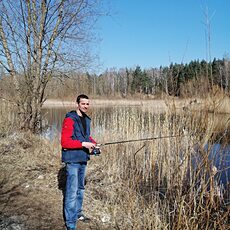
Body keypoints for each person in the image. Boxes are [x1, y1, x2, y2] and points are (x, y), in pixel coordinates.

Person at [61, 94, 99, 230]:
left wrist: (93, 144)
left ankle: (77, 214)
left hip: (83, 158)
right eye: (83, 104)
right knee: (71, 191)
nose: (86, 106)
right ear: (77, 104)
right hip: (72, 160)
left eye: (87, 104)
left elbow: (85, 136)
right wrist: (84, 144)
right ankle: (70, 224)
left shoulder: (86, 119)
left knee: (81, 189)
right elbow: (65, 142)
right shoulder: (70, 119)